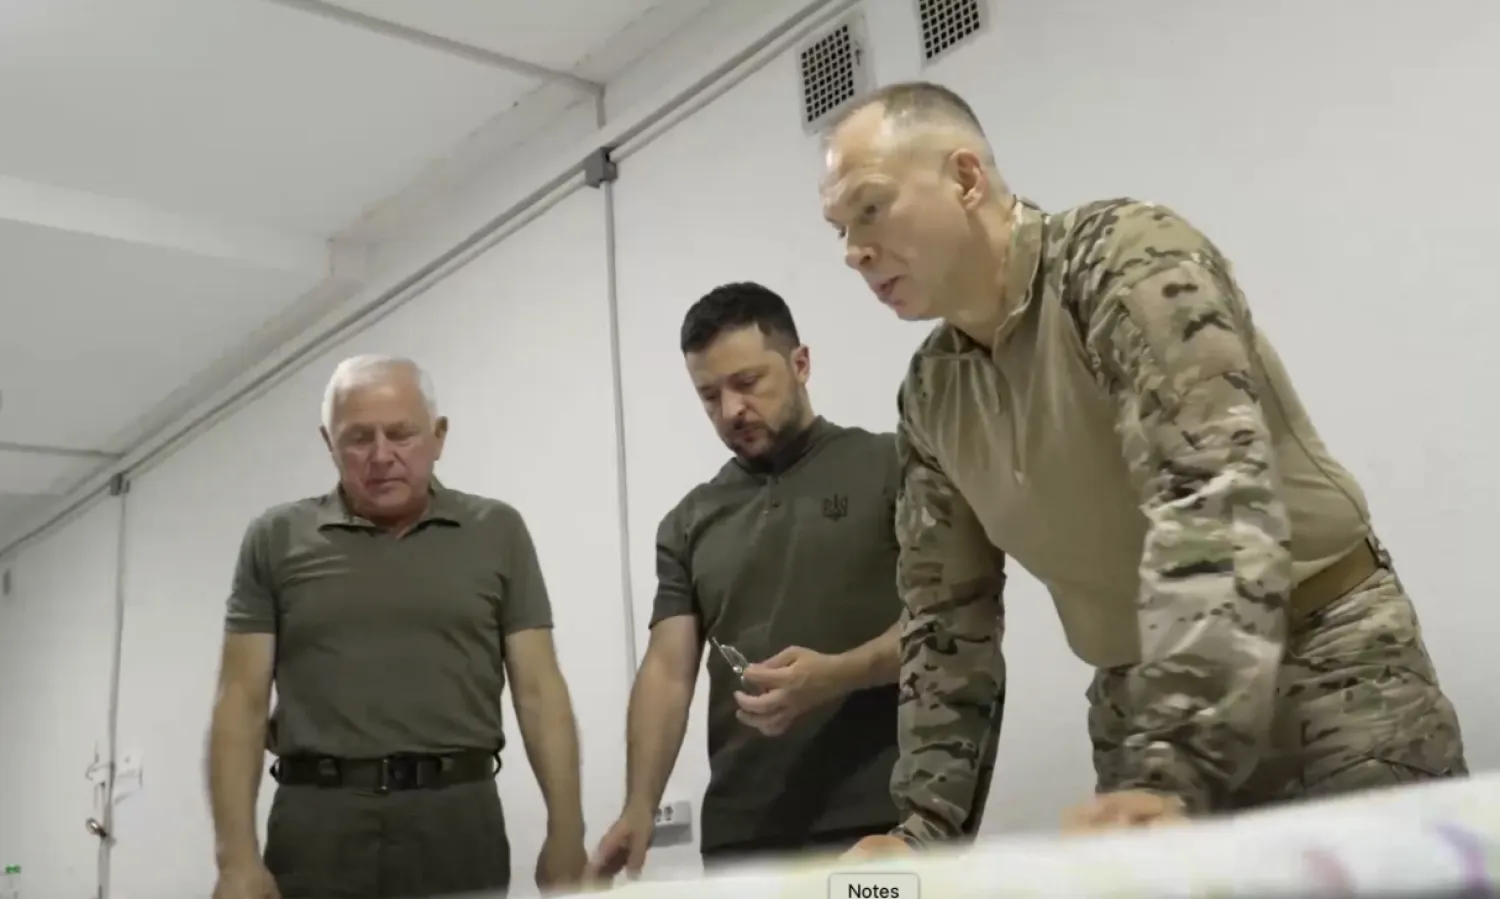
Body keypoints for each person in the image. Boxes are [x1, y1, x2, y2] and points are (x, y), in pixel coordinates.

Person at [815, 82, 1468, 851]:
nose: (853, 251)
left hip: (1326, 668)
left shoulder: (1126, 259)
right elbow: (944, 618)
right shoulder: (931, 395)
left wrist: (1173, 771)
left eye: (870, 208)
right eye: (838, 229)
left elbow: (1212, 505)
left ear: (965, 179)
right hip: (1141, 709)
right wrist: (925, 826)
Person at [587, 283, 995, 878]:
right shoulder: (688, 521)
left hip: (885, 825)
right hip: (742, 839)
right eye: (709, 396)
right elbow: (668, 671)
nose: (730, 411)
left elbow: (952, 623)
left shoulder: (896, 465)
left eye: (747, 383)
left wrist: (835, 676)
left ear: (800, 364)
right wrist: (638, 805)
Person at [206, 354, 588, 898]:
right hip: (318, 823)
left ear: (439, 435)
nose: (381, 456)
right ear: (328, 442)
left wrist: (567, 831)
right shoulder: (276, 538)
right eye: (359, 438)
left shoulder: (496, 531)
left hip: (458, 820)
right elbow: (239, 700)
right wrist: (235, 858)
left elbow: (539, 690)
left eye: (401, 434)